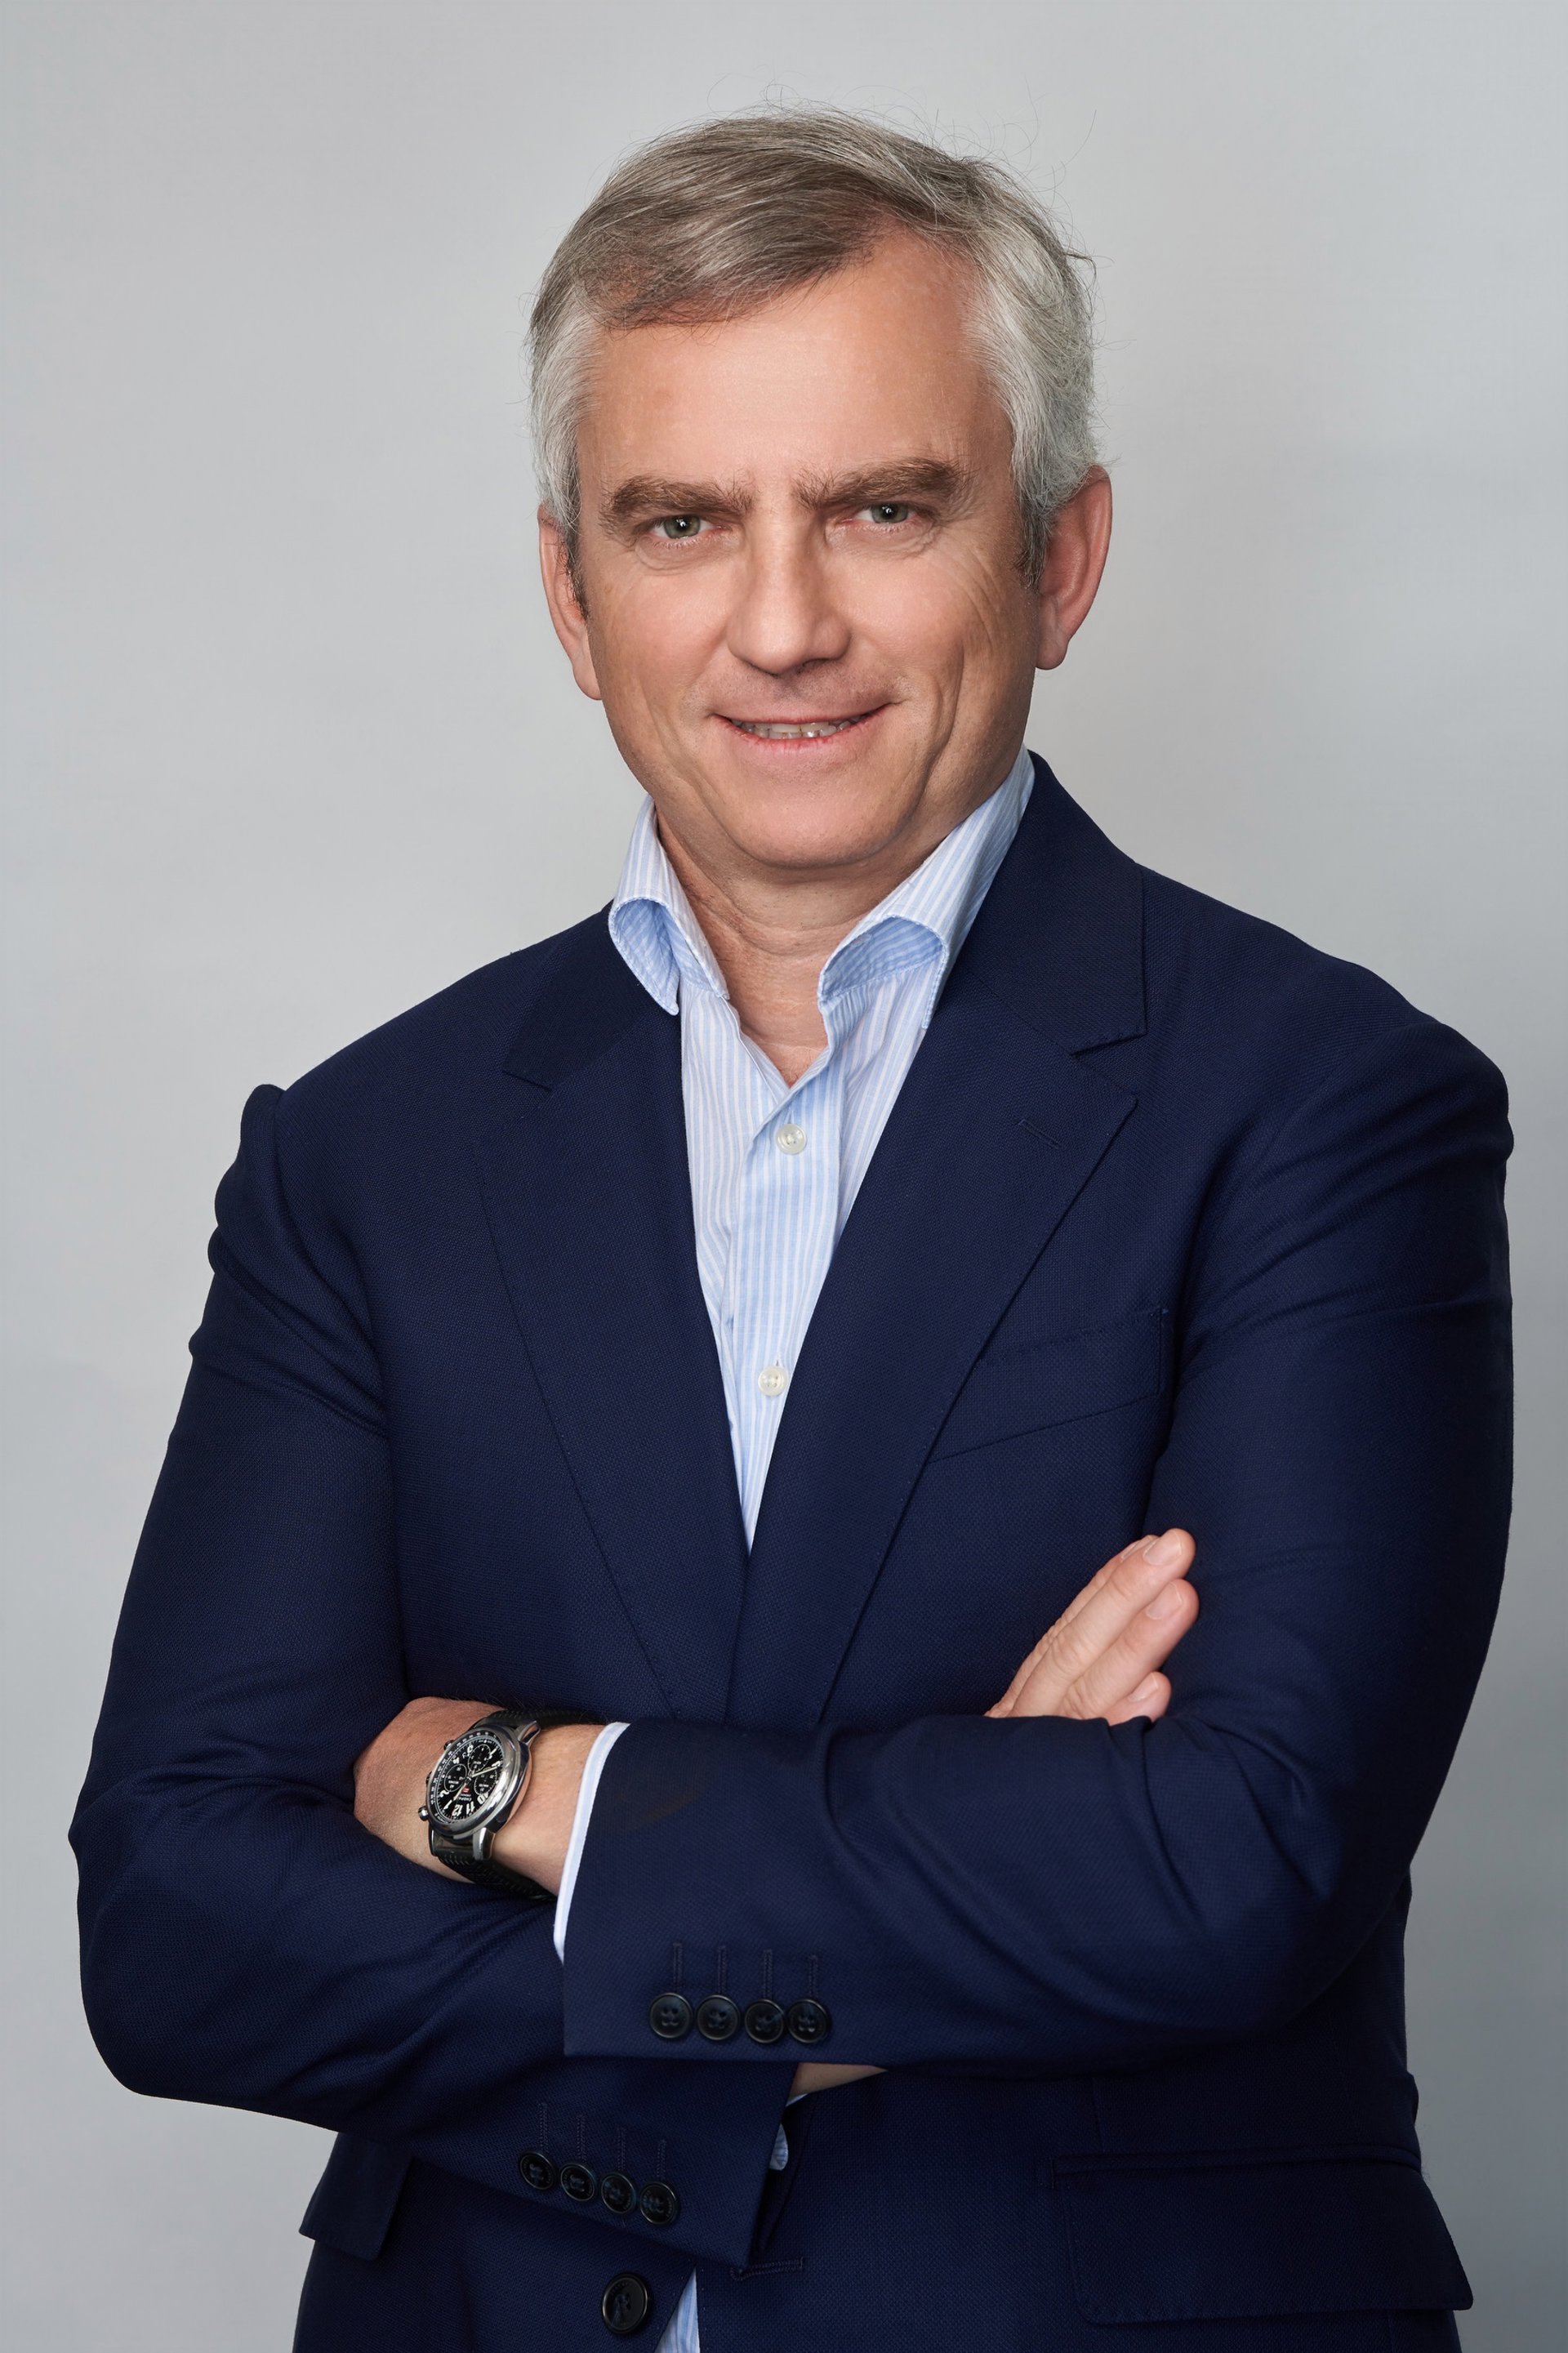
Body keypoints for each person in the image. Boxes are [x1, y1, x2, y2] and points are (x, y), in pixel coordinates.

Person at [72, 110, 1512, 2352]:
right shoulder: (361, 1158)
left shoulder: (1329, 1106)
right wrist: (885, 1939)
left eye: (882, 509)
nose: (781, 624)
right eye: (681, 521)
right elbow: (177, 1921)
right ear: (573, 596)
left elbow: (1231, 1864)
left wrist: (514, 1786)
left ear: (1058, 557)